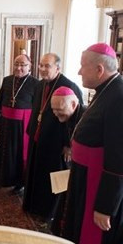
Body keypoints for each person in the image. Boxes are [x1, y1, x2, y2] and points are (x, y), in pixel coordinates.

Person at [62, 43, 123, 244]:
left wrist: (105, 206)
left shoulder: (121, 97)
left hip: (100, 186)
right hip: (87, 178)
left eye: (83, 66)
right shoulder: (106, 90)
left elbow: (121, 159)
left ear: (98, 68)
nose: (79, 71)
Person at [22, 53, 83, 221]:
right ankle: (32, 205)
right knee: (35, 173)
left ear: (58, 67)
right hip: (38, 137)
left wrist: (69, 145)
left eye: (47, 66)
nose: (42, 69)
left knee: (51, 179)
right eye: (41, 65)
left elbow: (76, 118)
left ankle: (48, 213)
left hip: (57, 143)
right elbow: (37, 111)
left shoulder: (69, 87)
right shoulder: (39, 85)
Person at [0, 54, 38, 191]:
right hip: (5, 122)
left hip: (22, 125)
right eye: (16, 64)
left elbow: (36, 108)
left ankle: (19, 182)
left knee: (17, 153)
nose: (19, 67)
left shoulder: (35, 83)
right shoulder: (7, 80)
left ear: (29, 66)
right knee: (3, 151)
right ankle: (1, 179)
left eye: (23, 65)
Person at [48, 86, 84, 235]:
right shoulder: (65, 114)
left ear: (73, 105)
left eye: (59, 110)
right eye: (54, 110)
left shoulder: (85, 117)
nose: (56, 115)